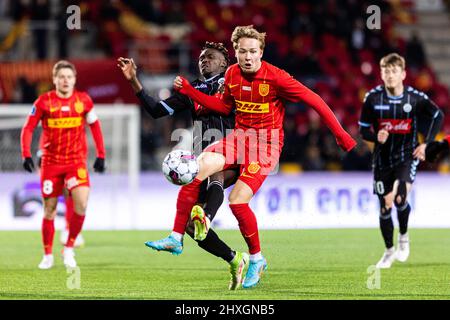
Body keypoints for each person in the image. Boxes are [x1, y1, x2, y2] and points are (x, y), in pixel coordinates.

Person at [148, 25, 356, 289]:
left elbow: (314, 99)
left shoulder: (277, 78)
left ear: (261, 52)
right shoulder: (232, 74)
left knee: (237, 202)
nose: (247, 57)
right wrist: (191, 92)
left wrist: (340, 134)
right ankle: (176, 237)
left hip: (266, 146)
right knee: (198, 166)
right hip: (239, 138)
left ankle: (256, 259)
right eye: (242, 51)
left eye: (253, 52)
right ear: (235, 52)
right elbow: (223, 106)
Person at [117, 42, 249, 290]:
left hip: (236, 152)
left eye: (210, 57)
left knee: (216, 173)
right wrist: (134, 80)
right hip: (203, 158)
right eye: (201, 58)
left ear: (224, 62)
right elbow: (156, 110)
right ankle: (234, 258)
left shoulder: (234, 82)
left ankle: (206, 216)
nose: (204, 60)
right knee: (191, 227)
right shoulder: (192, 89)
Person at [358, 53, 443, 269]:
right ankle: (388, 251)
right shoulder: (372, 98)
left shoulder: (414, 98)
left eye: (394, 71)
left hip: (407, 156)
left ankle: (404, 237)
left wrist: (427, 144)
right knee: (385, 207)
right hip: (382, 160)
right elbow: (363, 130)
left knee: (399, 199)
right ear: (381, 73)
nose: (390, 75)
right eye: (386, 71)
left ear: (403, 74)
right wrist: (374, 136)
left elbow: (437, 115)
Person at [20, 60, 106, 269]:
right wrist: (26, 154)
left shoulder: (84, 100)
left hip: (76, 162)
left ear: (75, 79)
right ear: (54, 79)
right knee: (49, 209)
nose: (65, 80)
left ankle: (68, 248)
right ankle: (47, 255)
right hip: (51, 163)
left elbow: (95, 125)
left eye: (69, 77)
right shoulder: (43, 102)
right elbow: (28, 128)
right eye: (62, 77)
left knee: (82, 204)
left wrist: (101, 154)